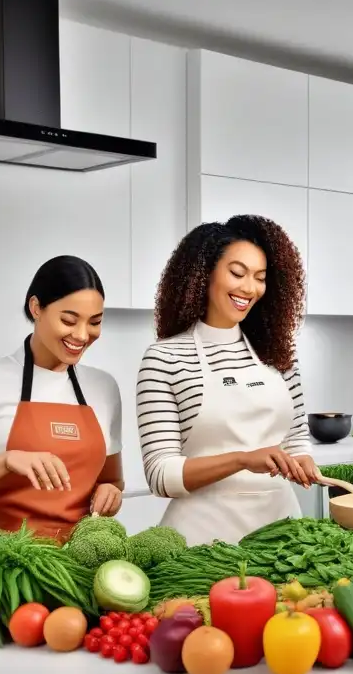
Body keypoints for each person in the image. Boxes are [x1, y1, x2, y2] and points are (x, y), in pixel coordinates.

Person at [137, 217, 319, 546]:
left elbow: (296, 439)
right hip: (201, 543)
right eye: (237, 273)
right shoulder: (165, 358)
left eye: (260, 278)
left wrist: (302, 461)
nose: (249, 288)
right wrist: (242, 459)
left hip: (284, 538)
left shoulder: (279, 357)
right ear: (204, 273)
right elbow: (160, 475)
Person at [0, 256, 124, 541]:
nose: (82, 335)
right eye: (68, 320)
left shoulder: (103, 387)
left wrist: (111, 492)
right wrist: (7, 460)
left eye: (94, 322)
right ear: (36, 308)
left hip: (76, 567)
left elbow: (111, 479)